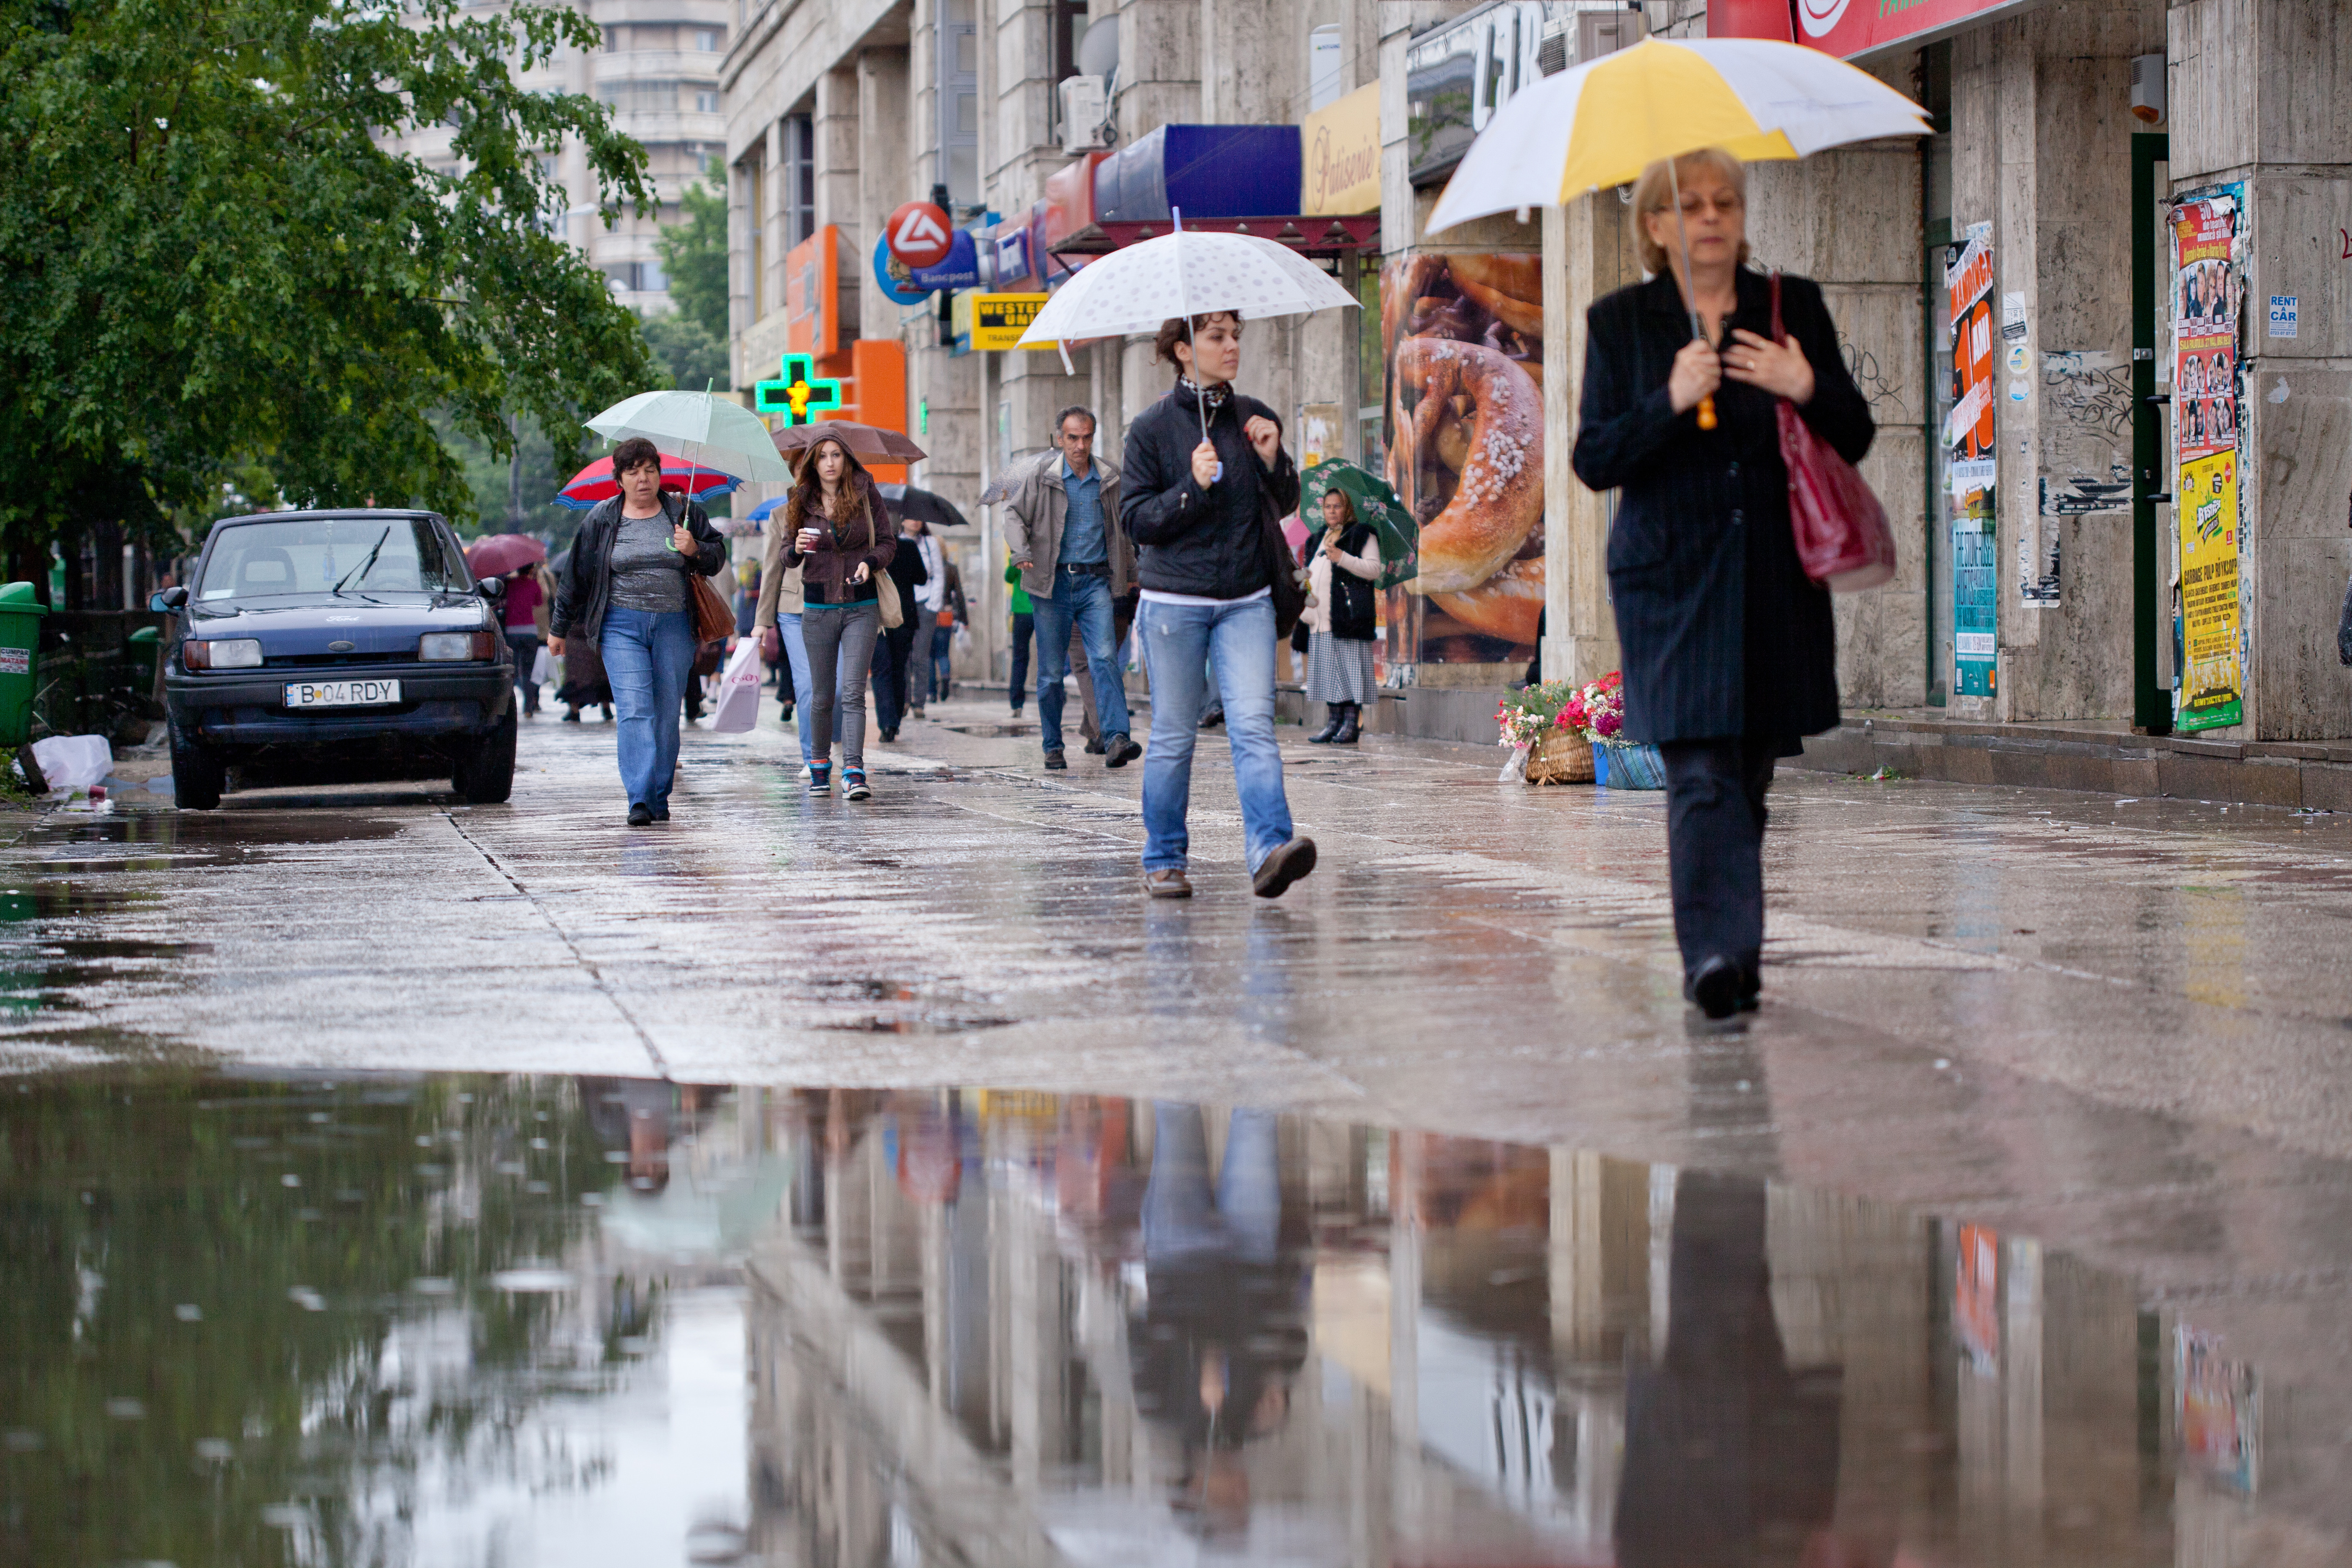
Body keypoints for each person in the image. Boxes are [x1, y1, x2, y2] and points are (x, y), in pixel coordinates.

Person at [1571, 148, 1874, 1018]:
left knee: (1745, 775)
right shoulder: (1622, 323)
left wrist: (1802, 381)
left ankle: (1731, 951)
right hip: (1669, 582)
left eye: (1725, 203)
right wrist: (1668, 398)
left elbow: (1853, 433)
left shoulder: (1792, 309)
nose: (1711, 218)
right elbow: (1596, 460)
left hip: (1776, 579)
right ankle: (1713, 957)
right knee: (1699, 771)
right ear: (1655, 227)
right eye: (1690, 205)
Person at [1121, 313, 1317, 900]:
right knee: (1175, 735)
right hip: (1173, 603)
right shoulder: (1150, 429)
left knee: (1254, 727)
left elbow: (1285, 503)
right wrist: (1192, 485)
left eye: (1235, 335)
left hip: (1247, 599)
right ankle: (1163, 859)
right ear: (1183, 350)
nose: (1232, 347)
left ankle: (1270, 851)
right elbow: (1136, 521)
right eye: (1216, 337)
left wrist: (1272, 457)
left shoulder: (1252, 415)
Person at [550, 436, 728, 825]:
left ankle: (659, 794)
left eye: (650, 470)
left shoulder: (683, 512)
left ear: (660, 475)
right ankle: (640, 798)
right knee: (634, 709)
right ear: (620, 479)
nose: (643, 479)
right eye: (633, 472)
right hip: (620, 626)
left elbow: (716, 558)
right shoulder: (601, 518)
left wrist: (695, 548)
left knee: (666, 713)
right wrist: (558, 628)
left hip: (674, 625)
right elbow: (574, 576)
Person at [1007, 405, 1142, 771]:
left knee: (1104, 658)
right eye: (1072, 438)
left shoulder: (1110, 476)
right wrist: (1020, 552)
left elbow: (1123, 530)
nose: (1080, 445)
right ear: (1059, 439)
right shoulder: (1041, 476)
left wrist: (1130, 573)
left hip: (1096, 582)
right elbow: (1013, 515)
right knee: (1051, 672)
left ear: (1092, 438)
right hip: (1052, 585)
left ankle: (1115, 738)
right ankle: (1053, 745)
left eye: (1086, 437)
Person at [782, 435, 896, 799]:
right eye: (823, 457)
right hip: (817, 610)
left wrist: (870, 561)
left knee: (853, 692)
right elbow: (786, 554)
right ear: (814, 464)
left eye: (837, 455)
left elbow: (888, 543)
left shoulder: (866, 493)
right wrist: (795, 549)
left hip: (861, 606)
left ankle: (853, 771)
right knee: (822, 695)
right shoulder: (801, 499)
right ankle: (819, 767)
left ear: (846, 461)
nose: (830, 463)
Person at [1300, 487, 1381, 745]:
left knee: (1349, 670)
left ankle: (1351, 723)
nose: (1333, 511)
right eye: (1328, 507)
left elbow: (1373, 570)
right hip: (1320, 620)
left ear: (1347, 508)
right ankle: (1333, 722)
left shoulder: (1361, 535)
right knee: (1328, 672)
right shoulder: (1316, 540)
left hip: (1348, 617)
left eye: (1338, 506)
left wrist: (1342, 557)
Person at [871, 511, 932, 743]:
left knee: (881, 670)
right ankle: (894, 721)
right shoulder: (907, 547)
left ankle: (887, 723)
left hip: (877, 616)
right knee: (898, 667)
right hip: (905, 616)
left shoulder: (870, 550)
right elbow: (923, 578)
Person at [501, 560, 545, 717]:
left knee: (512, 670)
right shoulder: (534, 585)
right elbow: (539, 603)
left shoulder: (508, 584)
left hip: (512, 631)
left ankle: (507, 708)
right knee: (528, 671)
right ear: (531, 569)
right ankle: (528, 708)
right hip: (530, 632)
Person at [930, 558, 966, 702]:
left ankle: (931, 692)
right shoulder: (951, 568)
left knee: (929, 656)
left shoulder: (928, 566)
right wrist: (964, 618)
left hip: (928, 615)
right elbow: (959, 593)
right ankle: (945, 677)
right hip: (945, 615)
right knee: (943, 653)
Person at [1004, 554, 1034, 717]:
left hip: (1022, 613)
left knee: (1020, 657)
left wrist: (1014, 561)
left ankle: (1017, 703)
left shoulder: (1018, 555)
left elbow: (1008, 578)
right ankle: (1058, 696)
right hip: (1041, 609)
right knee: (1050, 654)